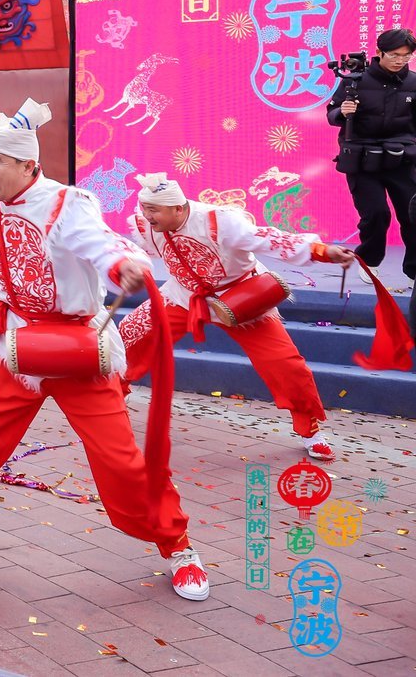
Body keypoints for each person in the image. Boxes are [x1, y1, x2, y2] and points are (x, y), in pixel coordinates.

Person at [0, 100, 209, 602]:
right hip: (14, 341)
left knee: (120, 457)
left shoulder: (68, 203)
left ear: (28, 165)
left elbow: (100, 242)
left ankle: (177, 545)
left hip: (75, 348)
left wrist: (122, 265)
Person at [122, 173, 356, 462]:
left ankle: (311, 431)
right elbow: (133, 250)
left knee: (286, 365)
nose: (146, 215)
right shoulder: (147, 224)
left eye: (153, 210)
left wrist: (323, 251)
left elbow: (272, 239)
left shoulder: (220, 222)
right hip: (183, 296)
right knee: (130, 334)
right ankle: (114, 397)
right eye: (144, 208)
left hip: (240, 299)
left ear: (178, 209)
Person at [326, 27, 416, 286]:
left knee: (412, 215)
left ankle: (414, 270)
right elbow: (332, 115)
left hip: (402, 158)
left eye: (406, 56)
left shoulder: (413, 82)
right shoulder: (355, 79)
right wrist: (342, 111)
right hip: (362, 159)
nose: (400, 60)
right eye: (395, 54)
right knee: (376, 214)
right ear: (379, 52)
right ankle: (370, 262)